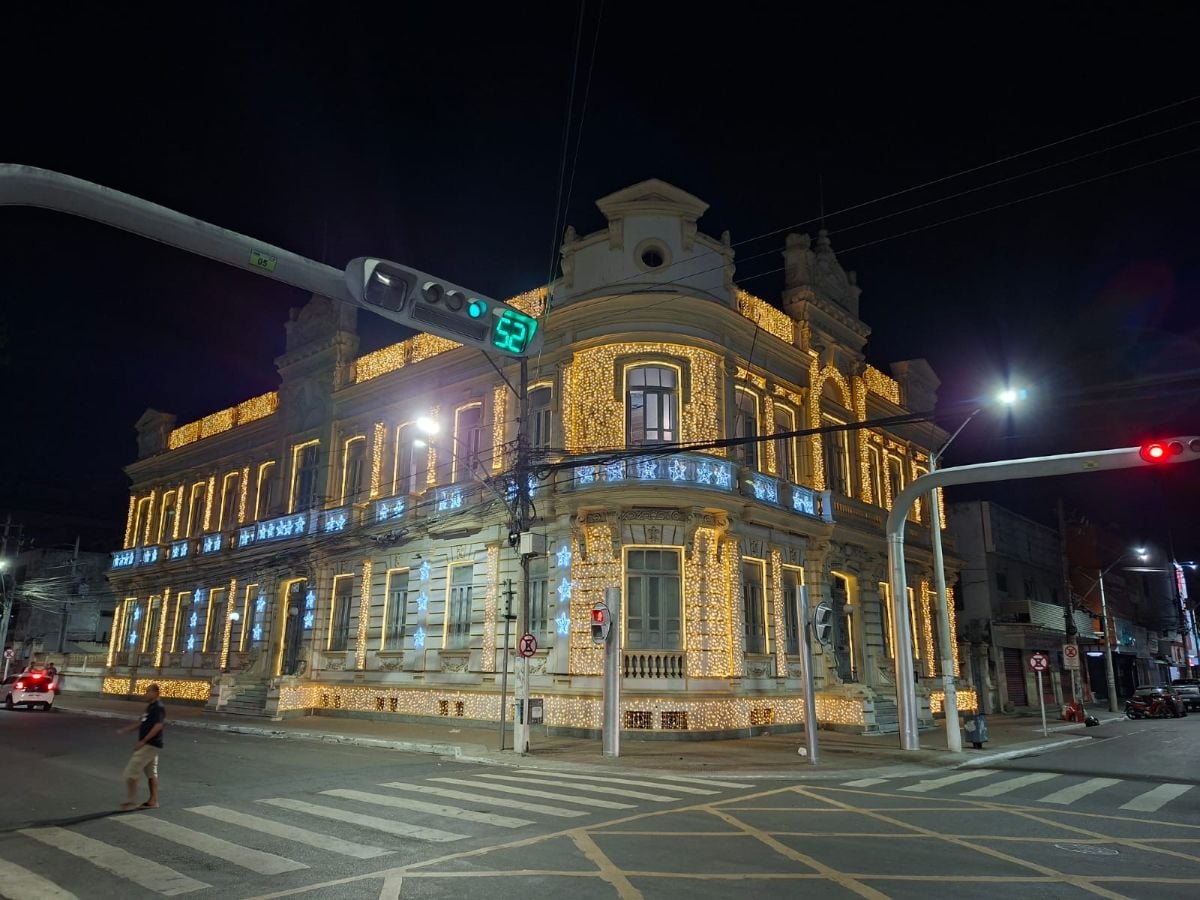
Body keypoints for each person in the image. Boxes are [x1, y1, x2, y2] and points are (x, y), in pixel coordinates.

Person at [117, 683, 165, 810]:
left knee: (130, 773)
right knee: (151, 774)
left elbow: (158, 726)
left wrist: (143, 741)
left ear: (155, 693)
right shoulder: (150, 707)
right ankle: (153, 801)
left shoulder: (158, 707)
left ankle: (131, 800)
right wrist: (127, 730)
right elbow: (141, 722)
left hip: (150, 745)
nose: (146, 694)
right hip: (153, 745)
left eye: (148, 692)